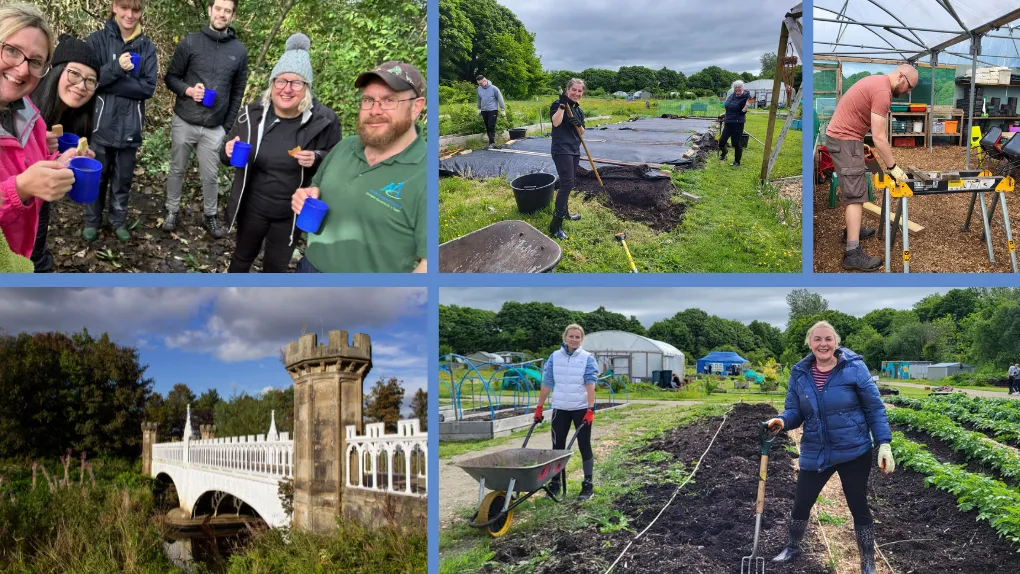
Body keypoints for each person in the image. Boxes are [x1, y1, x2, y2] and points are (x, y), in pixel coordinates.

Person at [764, 321, 894, 574]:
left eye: (828, 339)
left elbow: (874, 408)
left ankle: (867, 559)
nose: (823, 344)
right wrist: (781, 421)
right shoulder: (800, 373)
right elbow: (794, 410)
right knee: (802, 501)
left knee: (858, 504)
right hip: (816, 449)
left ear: (836, 342)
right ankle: (792, 547)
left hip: (853, 450)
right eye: (817, 339)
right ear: (809, 343)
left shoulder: (854, 368)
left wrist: (884, 443)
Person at [220, 34, 341, 273]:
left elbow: (337, 163)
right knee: (241, 259)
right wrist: (226, 150)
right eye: (281, 81)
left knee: (275, 268)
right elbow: (226, 156)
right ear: (272, 83)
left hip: (291, 215)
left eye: (296, 83)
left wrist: (316, 157)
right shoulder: (251, 114)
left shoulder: (325, 120)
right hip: (252, 206)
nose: (287, 89)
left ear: (306, 88)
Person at [290, 61, 426, 273]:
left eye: (389, 100)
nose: (374, 110)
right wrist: (307, 194)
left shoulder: (425, 173)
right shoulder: (344, 147)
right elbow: (315, 186)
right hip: (309, 268)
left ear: (416, 106)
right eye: (368, 100)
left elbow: (428, 265)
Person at [0, 4, 92, 265]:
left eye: (36, 62)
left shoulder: (28, 109)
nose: (21, 70)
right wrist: (20, 189)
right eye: (11, 50)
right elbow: (22, 183)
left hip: (20, 257)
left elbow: (35, 160)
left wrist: (60, 162)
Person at [163, 0, 248, 238]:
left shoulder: (239, 52)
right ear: (210, 10)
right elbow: (171, 77)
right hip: (185, 120)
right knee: (176, 169)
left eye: (227, 11)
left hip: (214, 127)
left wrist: (227, 127)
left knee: (210, 176)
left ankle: (210, 216)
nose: (222, 14)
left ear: (232, 16)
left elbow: (238, 92)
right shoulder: (190, 42)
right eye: (218, 9)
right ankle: (171, 211)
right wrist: (189, 91)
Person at [826, 64, 918, 272]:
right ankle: (852, 253)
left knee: (855, 189)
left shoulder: (878, 83)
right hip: (845, 140)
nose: (908, 92)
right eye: (909, 87)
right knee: (856, 195)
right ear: (901, 77)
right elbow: (879, 137)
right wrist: (893, 167)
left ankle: (852, 231)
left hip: (847, 138)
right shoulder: (883, 92)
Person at [84, 0, 157, 243]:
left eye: (135, 10)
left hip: (130, 127)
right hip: (100, 124)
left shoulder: (147, 47)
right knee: (97, 176)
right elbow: (90, 80)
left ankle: (118, 220)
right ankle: (91, 221)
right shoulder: (97, 41)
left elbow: (147, 88)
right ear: (115, 7)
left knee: (122, 179)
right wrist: (117, 67)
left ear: (141, 12)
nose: (130, 15)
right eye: (125, 8)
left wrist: (110, 82)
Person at [28, 34, 101, 272]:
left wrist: (63, 160)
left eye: (90, 81)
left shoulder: (71, 113)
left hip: (38, 203)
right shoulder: (26, 108)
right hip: (15, 206)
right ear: (56, 71)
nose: (81, 86)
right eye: (74, 74)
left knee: (37, 243)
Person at [532, 323, 598, 501]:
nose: (574, 340)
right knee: (557, 446)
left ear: (581, 339)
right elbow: (547, 383)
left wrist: (590, 408)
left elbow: (590, 385)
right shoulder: (554, 357)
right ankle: (555, 484)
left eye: (578, 337)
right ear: (564, 337)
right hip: (560, 407)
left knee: (584, 445)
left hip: (581, 408)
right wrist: (539, 407)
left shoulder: (587, 358)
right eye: (571, 336)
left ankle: (588, 485)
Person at [548, 78, 586, 240]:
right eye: (574, 90)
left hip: (574, 149)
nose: (577, 93)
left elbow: (582, 132)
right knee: (567, 184)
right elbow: (556, 123)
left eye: (580, 91)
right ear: (567, 90)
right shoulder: (558, 104)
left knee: (569, 183)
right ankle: (556, 225)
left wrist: (577, 124)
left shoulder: (578, 110)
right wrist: (563, 107)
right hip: (561, 149)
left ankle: (566, 212)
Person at [719, 79, 750, 166]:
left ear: (742, 87)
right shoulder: (732, 95)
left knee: (736, 143)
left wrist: (747, 105)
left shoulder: (746, 97)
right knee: (721, 141)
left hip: (737, 123)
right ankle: (724, 153)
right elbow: (729, 107)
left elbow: (743, 112)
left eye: (739, 87)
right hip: (728, 121)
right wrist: (724, 114)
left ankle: (737, 161)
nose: (737, 89)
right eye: (735, 87)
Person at [475, 75, 505, 148]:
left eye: (481, 83)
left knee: (491, 125)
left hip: (492, 110)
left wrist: (502, 109)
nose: (480, 85)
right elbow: (479, 99)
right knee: (487, 126)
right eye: (478, 84)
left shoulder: (494, 88)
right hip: (484, 110)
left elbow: (500, 98)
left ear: (485, 81)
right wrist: (479, 109)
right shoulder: (479, 89)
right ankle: (490, 141)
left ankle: (492, 143)